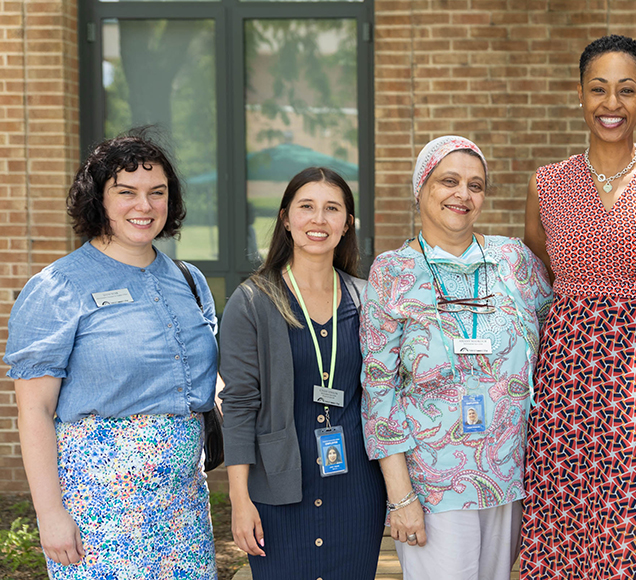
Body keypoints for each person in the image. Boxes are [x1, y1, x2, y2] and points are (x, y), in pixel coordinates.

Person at [520, 35, 636, 578]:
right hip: (569, 378)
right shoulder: (547, 182)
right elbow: (540, 268)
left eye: (626, 90)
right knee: (567, 520)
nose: (611, 104)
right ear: (579, 95)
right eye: (599, 89)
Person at [4, 132, 218, 579]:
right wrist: (50, 514)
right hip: (97, 510)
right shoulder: (58, 287)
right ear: (98, 199)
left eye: (156, 192)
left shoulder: (190, 280)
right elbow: (35, 411)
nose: (144, 206)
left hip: (184, 507)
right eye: (126, 193)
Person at [361, 136, 552, 580]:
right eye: (449, 181)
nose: (462, 195)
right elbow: (379, 390)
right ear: (422, 188)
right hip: (433, 485)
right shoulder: (392, 272)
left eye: (475, 185)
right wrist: (401, 496)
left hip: (510, 477)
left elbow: (564, 332)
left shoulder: (514, 261)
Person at [219, 167, 386, 579]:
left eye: (332, 209)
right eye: (306, 207)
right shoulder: (253, 302)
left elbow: (384, 397)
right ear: (285, 218)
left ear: (347, 224)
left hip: (356, 490)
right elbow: (238, 405)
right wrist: (239, 499)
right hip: (278, 492)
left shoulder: (367, 300)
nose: (318, 220)